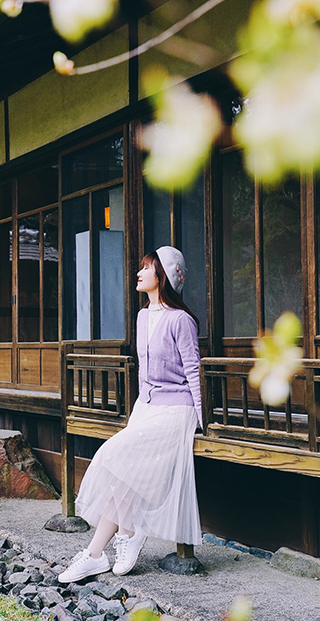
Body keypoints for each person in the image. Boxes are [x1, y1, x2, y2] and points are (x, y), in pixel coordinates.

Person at [58, 246, 203, 583]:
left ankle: (129, 532)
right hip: (147, 408)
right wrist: (139, 411)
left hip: (176, 409)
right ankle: (97, 553)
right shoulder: (141, 316)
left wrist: (201, 419)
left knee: (112, 457)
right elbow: (143, 374)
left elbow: (193, 371)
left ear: (162, 276)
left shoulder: (181, 320)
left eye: (147, 267)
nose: (139, 273)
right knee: (121, 475)